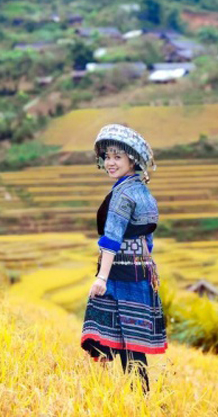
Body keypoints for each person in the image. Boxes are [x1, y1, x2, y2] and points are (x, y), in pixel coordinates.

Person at [80, 123, 167, 395]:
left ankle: (136, 398)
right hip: (141, 273)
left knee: (121, 342)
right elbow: (148, 241)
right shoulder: (143, 192)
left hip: (119, 274)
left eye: (117, 157)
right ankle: (136, 398)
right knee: (132, 345)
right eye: (107, 157)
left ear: (132, 160)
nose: (110, 162)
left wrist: (101, 278)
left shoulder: (123, 194)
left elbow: (111, 239)